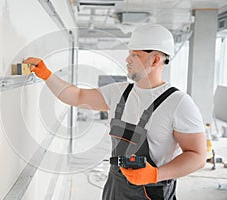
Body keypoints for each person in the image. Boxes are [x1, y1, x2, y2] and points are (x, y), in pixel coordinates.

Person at [24, 24, 207, 199]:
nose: (127, 59)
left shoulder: (178, 103)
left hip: (151, 193)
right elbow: (77, 96)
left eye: (135, 55)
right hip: (115, 189)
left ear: (155, 60)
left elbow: (198, 156)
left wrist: (156, 174)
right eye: (129, 53)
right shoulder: (119, 93)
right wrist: (48, 75)